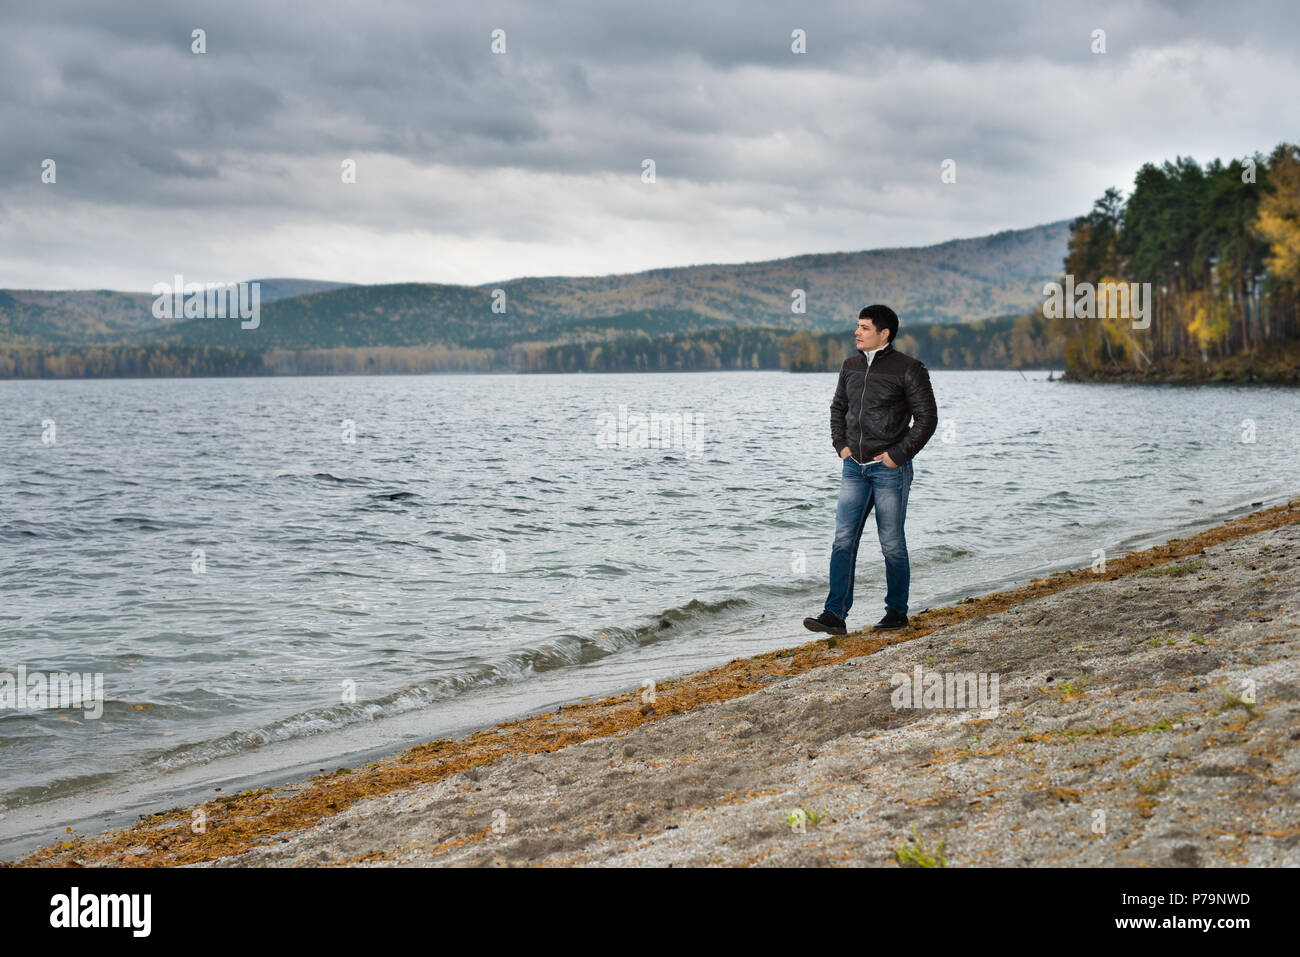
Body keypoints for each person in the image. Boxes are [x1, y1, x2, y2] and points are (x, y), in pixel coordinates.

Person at [803, 305, 937, 635]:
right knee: (843, 541)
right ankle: (834, 615)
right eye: (857, 326)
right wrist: (841, 446)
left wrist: (897, 454)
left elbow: (927, 419)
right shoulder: (850, 366)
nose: (857, 332)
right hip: (854, 467)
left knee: (891, 542)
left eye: (864, 327)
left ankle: (896, 613)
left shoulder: (909, 368)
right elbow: (838, 408)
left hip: (889, 469)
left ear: (884, 333)